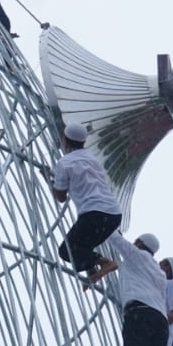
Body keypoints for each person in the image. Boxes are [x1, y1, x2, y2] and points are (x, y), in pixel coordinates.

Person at [49, 122, 122, 284]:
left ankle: (107, 263)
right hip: (114, 214)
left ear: (65, 140)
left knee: (66, 250)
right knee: (82, 246)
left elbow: (60, 197)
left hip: (94, 213)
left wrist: (52, 183)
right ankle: (92, 270)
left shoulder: (65, 162)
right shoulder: (93, 160)